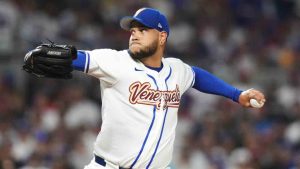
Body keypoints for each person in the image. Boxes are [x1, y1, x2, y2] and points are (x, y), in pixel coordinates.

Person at [23, 7, 266, 169]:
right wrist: (55, 57)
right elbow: (82, 58)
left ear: (162, 37)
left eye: (143, 30)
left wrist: (237, 95)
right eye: (133, 31)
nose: (134, 35)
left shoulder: (176, 69)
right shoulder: (116, 62)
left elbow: (197, 76)